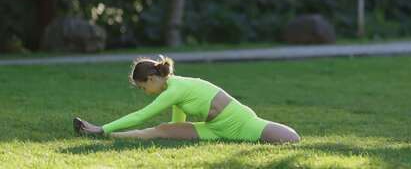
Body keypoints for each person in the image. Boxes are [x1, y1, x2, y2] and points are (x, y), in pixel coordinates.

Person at [73, 55, 300, 144]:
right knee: (161, 129)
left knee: (291, 139)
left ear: (152, 79)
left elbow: (141, 115)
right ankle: (106, 136)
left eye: (143, 87)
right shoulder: (170, 88)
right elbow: (177, 120)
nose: (145, 91)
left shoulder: (175, 88)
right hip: (214, 129)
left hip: (239, 123)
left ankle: (100, 131)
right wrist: (173, 129)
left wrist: (102, 125)